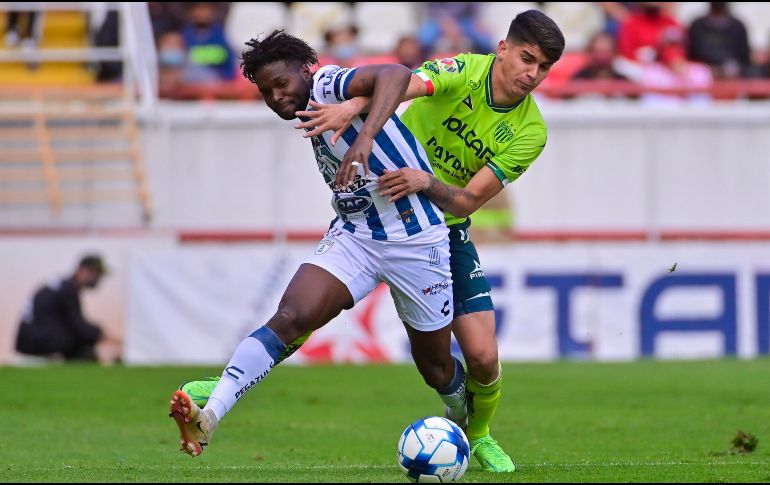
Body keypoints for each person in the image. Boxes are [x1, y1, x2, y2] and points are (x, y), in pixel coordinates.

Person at [182, 10, 565, 473]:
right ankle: (218, 401)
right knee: (295, 314)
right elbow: (404, 82)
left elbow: (463, 201)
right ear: (502, 48)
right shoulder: (465, 70)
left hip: (430, 230)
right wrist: (353, 104)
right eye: (528, 59)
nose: (533, 74)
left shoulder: (530, 131)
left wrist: (375, 139)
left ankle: (476, 433)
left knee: (462, 362)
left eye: (543, 67)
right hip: (359, 231)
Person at [169, 30, 467, 459]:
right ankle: (210, 415)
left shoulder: (327, 84)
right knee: (292, 316)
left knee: (436, 367)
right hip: (356, 236)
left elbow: (396, 73)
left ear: (302, 71)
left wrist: (365, 139)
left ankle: (465, 418)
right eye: (266, 91)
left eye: (282, 83)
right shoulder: (307, 113)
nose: (276, 96)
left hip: (417, 238)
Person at [15, 254, 109, 361]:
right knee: (83, 345)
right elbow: (78, 325)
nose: (98, 279)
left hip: (29, 340)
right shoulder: (68, 288)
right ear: (82, 270)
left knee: (84, 339)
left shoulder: (62, 285)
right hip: (36, 342)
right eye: (96, 274)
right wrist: (102, 335)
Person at [686, 2, 751, 80]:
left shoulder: (738, 26)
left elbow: (744, 58)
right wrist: (708, 69)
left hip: (733, 76)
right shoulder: (698, 26)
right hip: (701, 76)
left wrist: (733, 69)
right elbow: (691, 55)